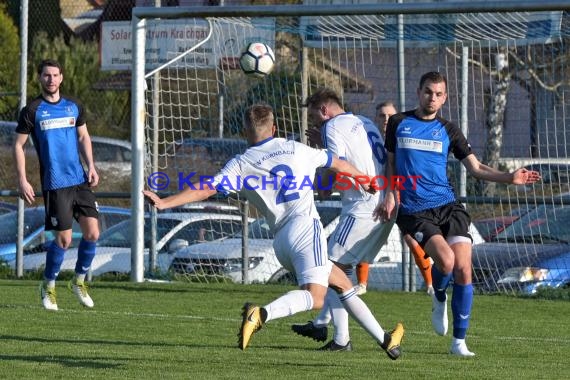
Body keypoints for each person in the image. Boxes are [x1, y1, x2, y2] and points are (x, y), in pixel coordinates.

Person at [143, 104, 404, 358]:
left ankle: (386, 341)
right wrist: (364, 178)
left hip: (280, 241)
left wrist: (165, 202)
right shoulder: (295, 148)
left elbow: (206, 187)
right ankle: (261, 314)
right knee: (315, 298)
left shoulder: (241, 163)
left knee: (342, 282)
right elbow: (336, 163)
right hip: (305, 229)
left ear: (246, 132)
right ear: (275, 128)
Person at [375, 71, 541, 357]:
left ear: (445, 97)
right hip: (415, 210)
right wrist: (389, 194)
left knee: (464, 269)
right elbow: (390, 163)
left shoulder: (449, 130)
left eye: (439, 94)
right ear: (418, 91)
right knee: (447, 261)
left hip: (448, 206)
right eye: (428, 92)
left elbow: (475, 167)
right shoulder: (399, 123)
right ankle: (439, 297)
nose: (433, 98)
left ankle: (458, 343)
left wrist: (508, 176)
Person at [291, 88, 396, 351]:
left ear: (325, 110)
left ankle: (341, 339)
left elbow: (334, 168)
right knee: (342, 270)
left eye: (315, 115)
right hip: (385, 205)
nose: (315, 121)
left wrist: (321, 181)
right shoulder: (365, 122)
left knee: (325, 267)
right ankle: (324, 324)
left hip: (364, 207)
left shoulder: (331, 127)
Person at [14, 59, 100, 311]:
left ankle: (79, 281)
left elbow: (84, 136)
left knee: (93, 233)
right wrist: (22, 178)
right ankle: (48, 285)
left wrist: (91, 165)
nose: (51, 79)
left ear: (61, 78)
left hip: (79, 180)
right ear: (40, 79)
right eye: (46, 75)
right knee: (63, 241)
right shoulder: (32, 110)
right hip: (55, 184)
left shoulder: (74, 107)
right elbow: (18, 145)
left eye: (55, 75)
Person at [356, 100, 434, 296]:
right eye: (382, 116)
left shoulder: (404, 140)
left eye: (390, 116)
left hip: (402, 195)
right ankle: (362, 284)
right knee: (365, 236)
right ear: (375, 119)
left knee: (412, 239)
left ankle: (431, 285)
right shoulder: (368, 141)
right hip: (375, 195)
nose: (386, 119)